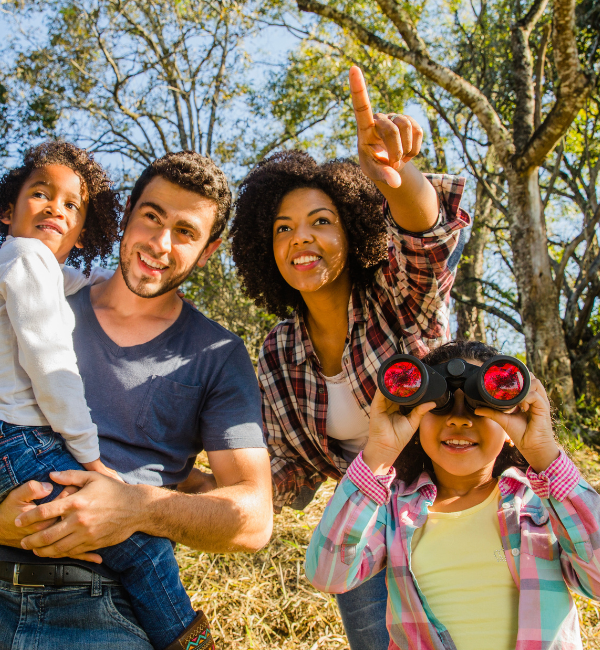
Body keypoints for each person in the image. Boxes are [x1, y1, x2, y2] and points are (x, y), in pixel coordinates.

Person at [0, 151, 273, 649]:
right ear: (126, 217)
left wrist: (137, 509)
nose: (160, 244)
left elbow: (254, 519)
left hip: (106, 611)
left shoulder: (217, 354)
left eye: (185, 232)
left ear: (208, 250)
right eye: (152, 217)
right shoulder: (38, 298)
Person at [228, 66, 469, 649]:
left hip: (449, 509)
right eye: (282, 228)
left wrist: (396, 176)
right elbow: (288, 468)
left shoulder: (395, 296)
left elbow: (428, 241)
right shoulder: (277, 350)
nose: (300, 239)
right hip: (360, 530)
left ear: (355, 229)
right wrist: (191, 485)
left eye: (320, 222)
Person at [304, 340, 600, 649]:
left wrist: (543, 452)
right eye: (440, 405)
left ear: (511, 425)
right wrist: (378, 453)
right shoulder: (392, 511)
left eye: (480, 407)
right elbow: (329, 574)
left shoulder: (542, 505)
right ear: (416, 420)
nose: (460, 421)